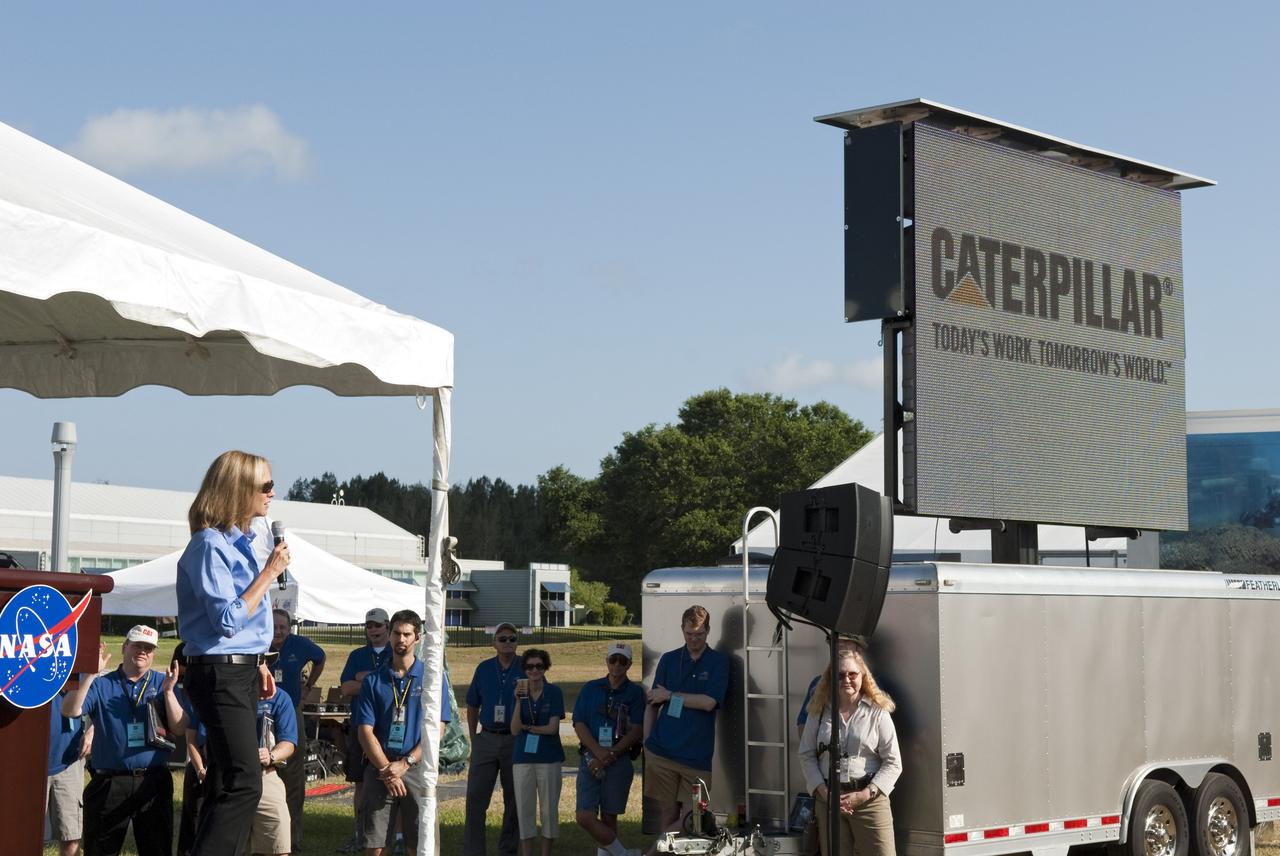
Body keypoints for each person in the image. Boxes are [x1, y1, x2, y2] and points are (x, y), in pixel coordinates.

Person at [176, 450, 291, 856]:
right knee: (245, 780)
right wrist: (269, 573)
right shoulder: (209, 544)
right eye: (265, 486)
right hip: (219, 672)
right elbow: (226, 618)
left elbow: (244, 620)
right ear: (238, 489)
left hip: (237, 669)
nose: (272, 493)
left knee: (227, 779)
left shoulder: (237, 543)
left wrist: (257, 661)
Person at [61, 627, 186, 856]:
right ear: (124, 647)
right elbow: (70, 710)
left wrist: (168, 693)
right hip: (110, 781)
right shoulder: (101, 683)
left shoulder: (163, 682)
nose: (143, 652)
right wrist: (89, 675)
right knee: (100, 849)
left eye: (148, 648)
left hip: (153, 779)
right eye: (137, 645)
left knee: (157, 849)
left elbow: (179, 727)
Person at [353, 609, 451, 856]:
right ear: (389, 635)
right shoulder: (374, 680)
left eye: (407, 634)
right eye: (396, 633)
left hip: (417, 768)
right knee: (374, 845)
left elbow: (438, 728)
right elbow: (365, 731)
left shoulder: (431, 679)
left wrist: (406, 763)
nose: (401, 639)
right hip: (380, 768)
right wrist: (388, 770)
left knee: (418, 844)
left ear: (417, 638)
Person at [798, 648, 901, 856]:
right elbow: (806, 754)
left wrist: (864, 794)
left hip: (869, 801)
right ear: (830, 679)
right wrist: (825, 794)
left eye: (852, 674)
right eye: (839, 675)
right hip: (829, 802)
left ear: (863, 676)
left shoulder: (877, 711)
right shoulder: (818, 710)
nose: (846, 679)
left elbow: (893, 762)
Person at [643, 605, 730, 842]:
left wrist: (670, 695)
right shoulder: (669, 659)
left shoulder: (718, 662)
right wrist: (647, 743)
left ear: (708, 631)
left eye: (699, 634)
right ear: (682, 630)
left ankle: (654, 852)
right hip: (661, 751)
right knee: (668, 812)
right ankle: (665, 850)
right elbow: (652, 702)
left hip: (696, 755)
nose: (694, 638)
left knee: (693, 817)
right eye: (689, 633)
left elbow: (708, 702)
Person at [185, 677, 298, 856]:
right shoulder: (223, 697)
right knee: (221, 844)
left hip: (265, 775)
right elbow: (202, 740)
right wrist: (202, 770)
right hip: (227, 777)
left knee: (277, 848)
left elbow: (289, 743)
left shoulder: (280, 698)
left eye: (266, 661)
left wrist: (271, 755)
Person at [573, 642, 645, 856]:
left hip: (619, 759)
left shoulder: (635, 693)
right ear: (606, 661)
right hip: (590, 757)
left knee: (609, 816)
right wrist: (597, 751)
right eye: (613, 659)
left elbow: (637, 729)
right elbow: (579, 722)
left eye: (622, 661)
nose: (617, 665)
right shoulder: (590, 688)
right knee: (584, 816)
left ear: (629, 664)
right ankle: (623, 854)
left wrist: (611, 754)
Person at [463, 621, 523, 856]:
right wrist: (473, 738)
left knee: (514, 800)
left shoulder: (527, 667)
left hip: (515, 739)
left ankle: (508, 850)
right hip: (486, 738)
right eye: (503, 639)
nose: (508, 643)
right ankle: (474, 850)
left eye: (512, 638)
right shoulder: (484, 668)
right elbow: (472, 703)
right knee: (476, 797)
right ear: (494, 643)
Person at [271, 607, 326, 852]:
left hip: (291, 712)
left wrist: (309, 686)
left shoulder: (299, 644)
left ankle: (292, 839)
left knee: (292, 776)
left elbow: (321, 657)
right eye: (274, 626)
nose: (278, 631)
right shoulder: (259, 641)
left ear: (290, 627)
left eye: (283, 627)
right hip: (262, 713)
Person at [339, 607, 393, 852]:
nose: (373, 630)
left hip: (390, 727)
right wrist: (377, 681)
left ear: (387, 626)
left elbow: (398, 684)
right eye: (369, 626)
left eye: (378, 625)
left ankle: (397, 837)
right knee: (360, 782)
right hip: (362, 726)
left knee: (394, 779)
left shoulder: (396, 651)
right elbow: (346, 688)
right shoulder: (357, 654)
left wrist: (365, 678)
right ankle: (359, 834)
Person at [511, 648, 564, 856]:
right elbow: (515, 729)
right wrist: (517, 701)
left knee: (549, 809)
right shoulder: (518, 692)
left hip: (549, 758)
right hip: (523, 757)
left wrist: (529, 728)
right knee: (524, 809)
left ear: (545, 668)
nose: (534, 670)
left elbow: (553, 728)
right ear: (524, 669)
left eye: (539, 666)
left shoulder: (554, 692)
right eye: (530, 666)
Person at [48, 687, 92, 856]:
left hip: (68, 762)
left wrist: (91, 731)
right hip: (28, 765)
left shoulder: (76, 668)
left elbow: (101, 703)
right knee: (25, 835)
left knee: (70, 836)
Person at [796, 636, 866, 740]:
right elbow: (803, 725)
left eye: (846, 641)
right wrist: (814, 754)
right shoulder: (818, 684)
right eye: (836, 641)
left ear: (859, 649)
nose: (841, 644)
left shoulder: (874, 687)